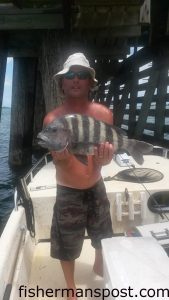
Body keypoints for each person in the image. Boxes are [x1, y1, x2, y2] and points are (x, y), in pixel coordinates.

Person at [43, 53, 114, 300]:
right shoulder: (53, 120)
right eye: (69, 75)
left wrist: (106, 159)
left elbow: (104, 154)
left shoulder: (104, 114)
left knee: (102, 233)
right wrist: (60, 155)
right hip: (68, 191)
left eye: (81, 75)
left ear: (90, 82)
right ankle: (71, 289)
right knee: (66, 244)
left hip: (96, 185)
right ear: (61, 83)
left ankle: (98, 263)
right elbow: (60, 161)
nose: (75, 80)